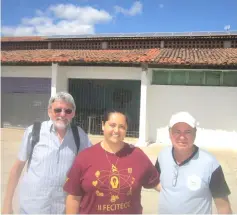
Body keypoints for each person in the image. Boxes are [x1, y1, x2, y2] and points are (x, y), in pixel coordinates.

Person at [2, 92, 92, 214]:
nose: (62, 114)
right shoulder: (34, 131)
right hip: (33, 208)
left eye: (68, 111)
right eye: (57, 110)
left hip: (63, 208)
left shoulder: (79, 135)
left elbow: (92, 164)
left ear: (73, 113)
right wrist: (7, 204)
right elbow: (17, 169)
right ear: (49, 111)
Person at [63, 110, 160, 214]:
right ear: (103, 126)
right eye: (112, 125)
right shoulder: (84, 157)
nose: (116, 130)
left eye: (121, 127)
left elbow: (158, 184)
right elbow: (73, 198)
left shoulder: (137, 155)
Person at [155, 111, 232, 214]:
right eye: (177, 131)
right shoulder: (163, 155)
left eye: (187, 132)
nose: (182, 137)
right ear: (169, 133)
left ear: (195, 133)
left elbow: (223, 207)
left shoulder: (210, 164)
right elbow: (155, 181)